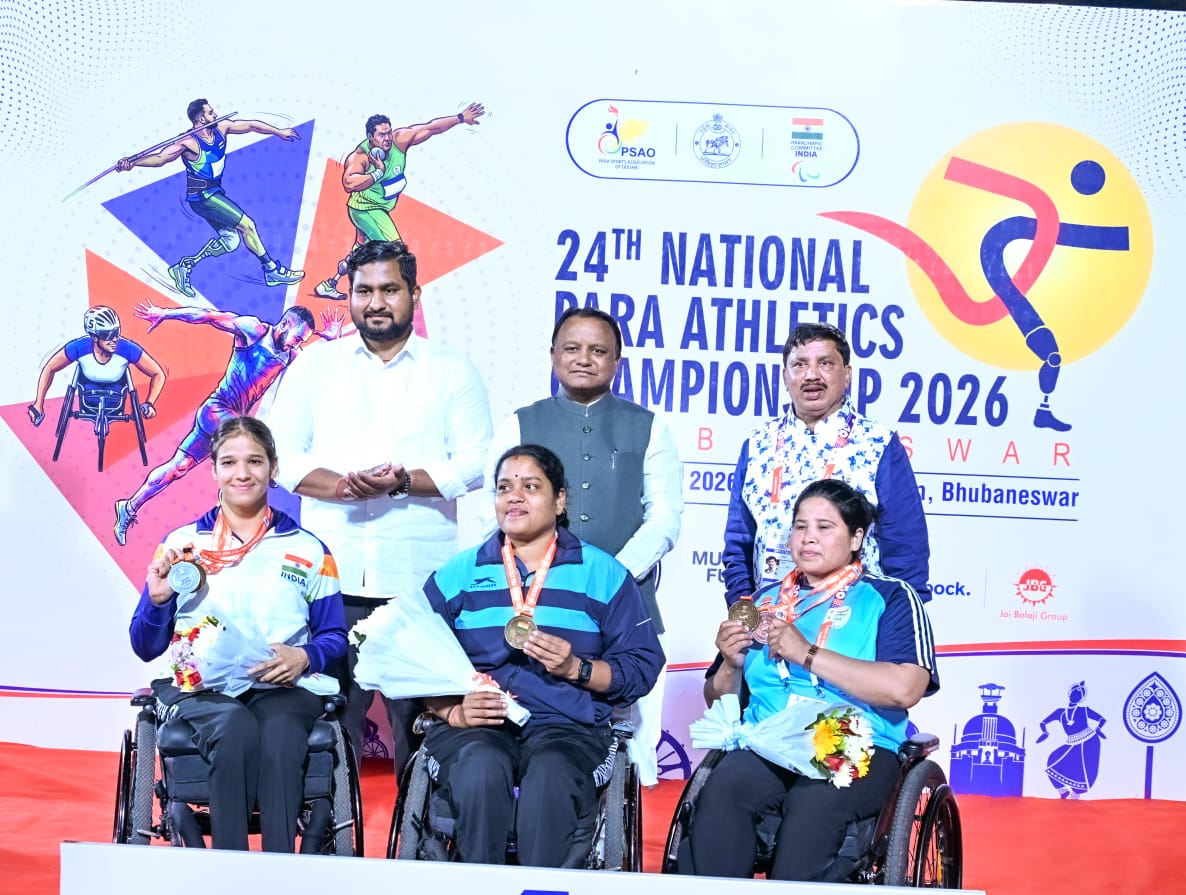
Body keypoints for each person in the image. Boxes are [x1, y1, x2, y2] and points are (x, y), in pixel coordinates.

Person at [265, 239, 492, 774]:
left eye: (389, 289)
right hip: (330, 580)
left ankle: (421, 826)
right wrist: (343, 487)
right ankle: (328, 825)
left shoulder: (452, 370)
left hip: (418, 584)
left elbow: (478, 461)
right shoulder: (314, 366)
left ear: (415, 294)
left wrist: (403, 482)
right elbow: (281, 455)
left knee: (424, 736)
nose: (376, 302)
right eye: (363, 291)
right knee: (327, 734)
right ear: (349, 295)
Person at [421, 444, 664, 866]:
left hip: (567, 726)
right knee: (481, 766)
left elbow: (641, 666)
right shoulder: (460, 572)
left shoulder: (603, 573)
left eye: (531, 487)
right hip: (479, 724)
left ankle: (540, 889)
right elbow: (414, 658)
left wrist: (576, 668)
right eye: (504, 488)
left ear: (560, 499)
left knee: (550, 775)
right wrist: (453, 711)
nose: (514, 497)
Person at [684, 478, 937, 881]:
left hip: (852, 743)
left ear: (856, 538)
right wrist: (730, 665)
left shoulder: (890, 597)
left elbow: (905, 688)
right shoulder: (763, 601)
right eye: (800, 526)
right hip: (769, 739)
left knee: (814, 804)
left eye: (825, 527)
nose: (808, 537)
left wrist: (806, 653)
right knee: (723, 790)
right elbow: (718, 699)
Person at [480, 306, 682, 784]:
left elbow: (665, 518)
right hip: (531, 605)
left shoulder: (650, 425)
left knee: (633, 754)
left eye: (598, 351)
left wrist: (609, 578)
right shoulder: (519, 423)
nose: (584, 359)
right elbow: (499, 510)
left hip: (626, 603)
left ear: (617, 362)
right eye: (572, 348)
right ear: (553, 355)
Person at [129, 415, 347, 853]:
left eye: (255, 461)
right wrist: (157, 600)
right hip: (202, 689)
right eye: (229, 462)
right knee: (234, 727)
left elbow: (334, 636)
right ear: (213, 470)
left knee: (282, 736)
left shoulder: (309, 548)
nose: (242, 473)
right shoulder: (183, 544)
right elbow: (145, 646)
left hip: (280, 686)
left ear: (273, 468)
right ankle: (230, 869)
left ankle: (280, 868)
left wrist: (304, 657)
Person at [723, 321, 929, 603]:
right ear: (785, 377)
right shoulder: (758, 443)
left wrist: (902, 615)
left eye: (825, 363)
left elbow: (906, 548)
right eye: (799, 365)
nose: (812, 375)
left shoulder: (878, 443)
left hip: (854, 618)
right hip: (769, 615)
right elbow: (739, 542)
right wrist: (745, 612)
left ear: (847, 375)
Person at [113, 302, 343, 546]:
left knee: (178, 467)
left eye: (301, 341)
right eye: (296, 338)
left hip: (230, 421)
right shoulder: (254, 331)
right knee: (255, 444)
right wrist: (165, 313)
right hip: (216, 410)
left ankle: (129, 507)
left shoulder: (291, 355)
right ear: (286, 324)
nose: (296, 344)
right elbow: (208, 316)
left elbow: (317, 371)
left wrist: (333, 342)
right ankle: (239, 517)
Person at [116, 98, 304, 297]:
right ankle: (271, 270)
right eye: (210, 112)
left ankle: (184, 267)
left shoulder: (221, 129)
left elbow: (250, 125)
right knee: (248, 225)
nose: (215, 115)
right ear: (200, 118)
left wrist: (278, 131)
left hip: (215, 192)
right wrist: (133, 163)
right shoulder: (188, 143)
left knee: (231, 241)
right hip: (202, 197)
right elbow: (160, 158)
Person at [314, 103, 485, 299]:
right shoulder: (361, 157)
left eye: (388, 132)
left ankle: (329, 284)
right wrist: (377, 172)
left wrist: (460, 118)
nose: (387, 138)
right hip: (365, 209)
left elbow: (430, 128)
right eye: (381, 135)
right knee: (397, 251)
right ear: (371, 137)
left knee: (358, 254)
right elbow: (349, 183)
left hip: (379, 208)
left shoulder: (399, 141)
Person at [27, 305, 166, 428]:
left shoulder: (127, 348)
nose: (114, 339)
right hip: (87, 399)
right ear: (94, 337)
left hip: (116, 401)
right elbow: (50, 368)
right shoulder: (79, 347)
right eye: (108, 335)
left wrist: (149, 403)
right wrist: (38, 404)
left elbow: (158, 374)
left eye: (116, 332)